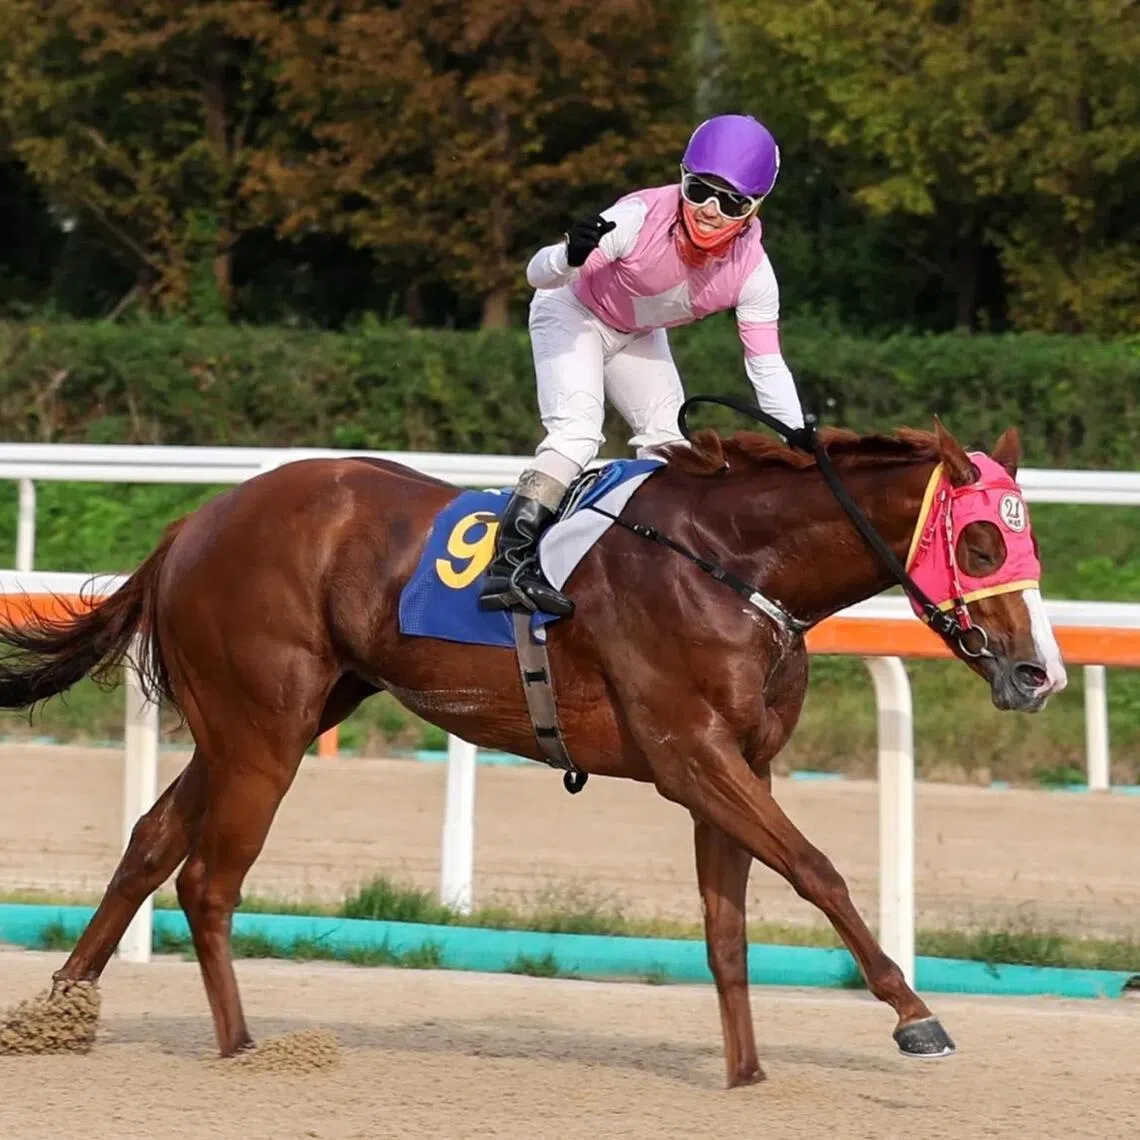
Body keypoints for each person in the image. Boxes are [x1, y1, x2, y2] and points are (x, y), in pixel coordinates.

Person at [478, 113, 806, 617]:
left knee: (671, 447)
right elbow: (535, 274)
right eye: (699, 190)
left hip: (636, 333)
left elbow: (766, 365)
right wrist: (569, 254)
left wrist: (798, 436)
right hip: (571, 310)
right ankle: (509, 564)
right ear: (682, 177)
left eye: (731, 201)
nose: (710, 211)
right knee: (578, 434)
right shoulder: (636, 217)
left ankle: (639, 566)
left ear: (755, 207)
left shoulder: (755, 273)